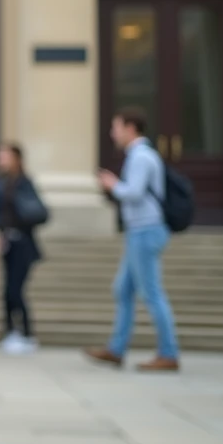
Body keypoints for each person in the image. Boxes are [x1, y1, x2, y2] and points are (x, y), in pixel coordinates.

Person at [86, 108, 180, 372]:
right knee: (123, 290)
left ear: (130, 128)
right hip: (139, 231)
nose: (112, 133)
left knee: (151, 293)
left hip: (145, 231)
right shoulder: (139, 156)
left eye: (116, 127)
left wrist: (112, 184)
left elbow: (134, 193)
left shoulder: (141, 156)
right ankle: (116, 349)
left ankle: (168, 353)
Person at [0, 143, 45, 355]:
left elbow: (37, 212)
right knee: (6, 291)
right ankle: (11, 332)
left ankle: (27, 334)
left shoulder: (25, 183)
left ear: (16, 158)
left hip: (23, 242)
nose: (1, 159)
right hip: (6, 241)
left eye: (5, 155)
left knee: (16, 290)